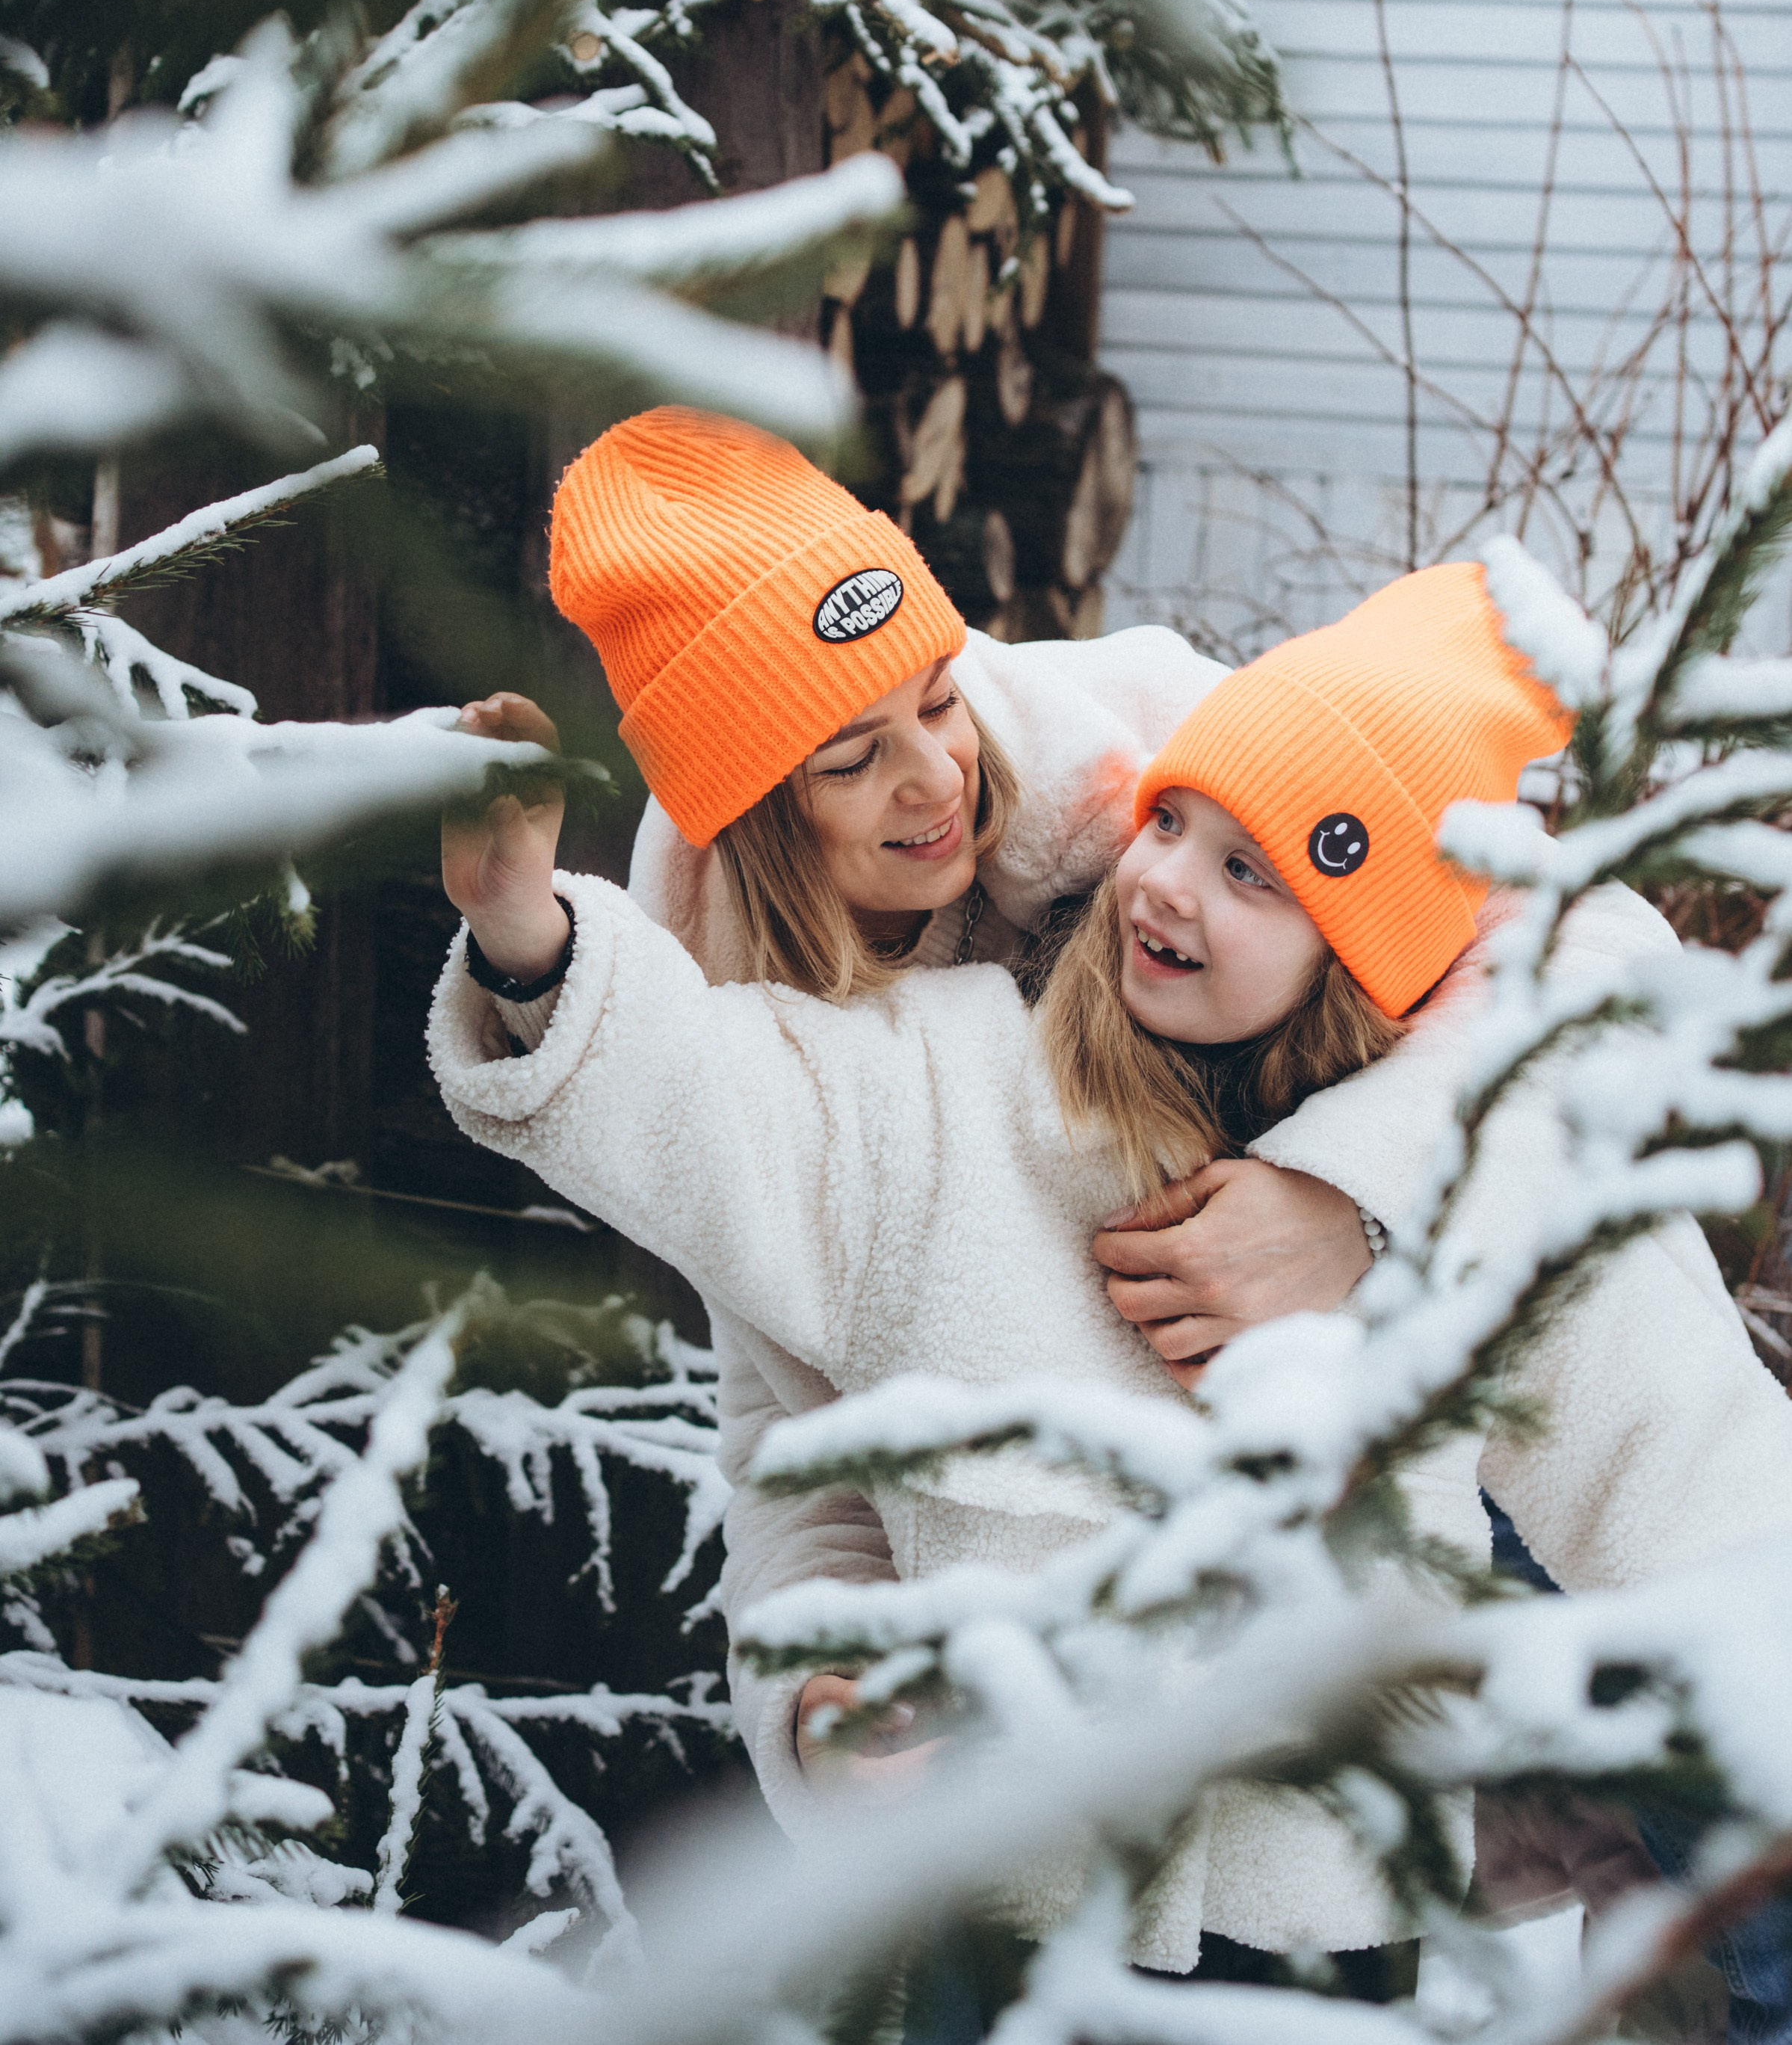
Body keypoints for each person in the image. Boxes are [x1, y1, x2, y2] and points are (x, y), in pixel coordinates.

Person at [432, 418, 1792, 1980]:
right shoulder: (774, 1059)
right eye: (852, 756)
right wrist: (817, 1697)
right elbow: (803, 1447)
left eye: (935, 701)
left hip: (1442, 1374)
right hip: (1153, 1616)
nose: (937, 774)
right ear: (753, 804)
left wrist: (1346, 1202)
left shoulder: (1141, 750)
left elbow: (1581, 935)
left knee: (1705, 1738)